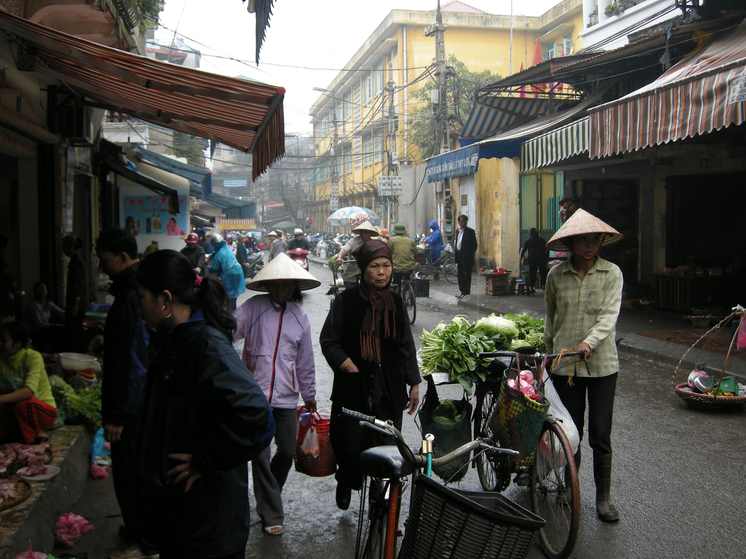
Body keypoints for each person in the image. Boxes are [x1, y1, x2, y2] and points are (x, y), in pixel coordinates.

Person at [134, 250, 274, 559]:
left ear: (165, 299)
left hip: (207, 528)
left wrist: (205, 459)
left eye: (141, 296)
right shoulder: (177, 339)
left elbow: (255, 415)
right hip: (185, 518)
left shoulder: (206, 346)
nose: (138, 305)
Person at [320, 240, 421, 511]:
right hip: (354, 388)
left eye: (386, 266)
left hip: (389, 387)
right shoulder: (346, 301)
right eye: (375, 266)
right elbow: (329, 340)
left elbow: (405, 346)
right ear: (363, 270)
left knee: (388, 447)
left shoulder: (396, 303)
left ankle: (383, 504)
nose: (382, 272)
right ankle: (346, 479)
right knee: (350, 445)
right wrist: (345, 364)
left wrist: (413, 382)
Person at [543, 209, 624, 524]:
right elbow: (550, 320)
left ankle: (603, 498)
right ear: (571, 242)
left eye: (594, 239)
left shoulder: (612, 274)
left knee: (600, 435)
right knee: (570, 433)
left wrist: (588, 343)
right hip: (564, 368)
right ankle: (568, 487)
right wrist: (548, 356)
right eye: (583, 240)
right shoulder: (555, 276)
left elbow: (608, 317)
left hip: (602, 367)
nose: (589, 245)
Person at [233, 253, 320, 536]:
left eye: (286, 284)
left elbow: (305, 361)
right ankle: (272, 512)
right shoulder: (252, 308)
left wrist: (309, 394)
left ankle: (269, 492)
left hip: (286, 398)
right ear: (268, 284)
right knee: (259, 454)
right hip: (254, 397)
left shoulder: (300, 318)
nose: (281, 289)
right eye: (276, 284)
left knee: (285, 451)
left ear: (294, 286)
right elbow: (229, 332)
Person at [95, 228, 154, 559]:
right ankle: (138, 530)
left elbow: (133, 361)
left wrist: (119, 413)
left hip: (130, 411)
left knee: (130, 476)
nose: (102, 266)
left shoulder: (132, 297)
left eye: (104, 260)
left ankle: (141, 538)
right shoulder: (130, 293)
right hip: (135, 406)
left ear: (122, 258)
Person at [0, 321, 57, 444]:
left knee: (21, 401)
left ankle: (36, 436)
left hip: (44, 413)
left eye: (4, 340)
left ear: (18, 343)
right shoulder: (2, 359)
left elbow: (29, 391)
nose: (0, 344)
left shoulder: (32, 357)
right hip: (18, 414)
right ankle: (6, 437)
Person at [62, 235, 88, 352]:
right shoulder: (76, 262)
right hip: (76, 303)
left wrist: (76, 304)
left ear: (72, 247)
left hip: (76, 303)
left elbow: (78, 285)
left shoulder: (76, 263)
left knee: (74, 331)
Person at [334, 220, 377, 290]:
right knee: (351, 293)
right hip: (352, 270)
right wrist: (339, 258)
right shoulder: (353, 242)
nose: (367, 234)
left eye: (369, 233)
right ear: (361, 233)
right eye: (365, 232)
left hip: (366, 272)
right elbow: (344, 250)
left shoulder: (373, 243)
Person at [207, 233, 245, 312]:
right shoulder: (226, 248)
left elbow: (214, 268)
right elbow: (215, 251)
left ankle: (230, 315)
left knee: (229, 297)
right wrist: (210, 256)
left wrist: (209, 268)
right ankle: (234, 313)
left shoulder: (219, 254)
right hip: (237, 272)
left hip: (229, 275)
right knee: (233, 296)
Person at [24, 282, 65, 353]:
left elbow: (62, 314)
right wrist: (56, 325)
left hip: (45, 331)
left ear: (46, 291)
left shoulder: (48, 304)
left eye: (43, 289)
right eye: (38, 289)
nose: (41, 291)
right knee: (56, 331)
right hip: (34, 332)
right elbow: (38, 324)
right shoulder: (32, 305)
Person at [454, 215, 478, 298]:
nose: (463, 224)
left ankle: (466, 291)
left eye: (464, 222)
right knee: (460, 274)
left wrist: (470, 254)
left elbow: (474, 245)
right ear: (459, 222)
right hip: (459, 255)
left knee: (467, 275)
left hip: (467, 257)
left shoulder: (470, 232)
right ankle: (462, 291)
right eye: (461, 222)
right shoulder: (457, 231)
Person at [520, 227, 549, 292]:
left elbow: (524, 249)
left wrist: (521, 257)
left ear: (530, 234)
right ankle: (543, 285)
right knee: (543, 273)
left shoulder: (528, 240)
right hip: (542, 259)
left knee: (532, 273)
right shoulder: (542, 240)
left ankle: (532, 287)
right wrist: (547, 257)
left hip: (533, 259)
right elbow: (547, 249)